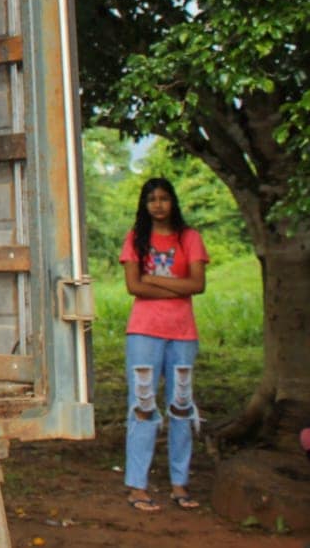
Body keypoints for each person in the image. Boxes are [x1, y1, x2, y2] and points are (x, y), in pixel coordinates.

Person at [119, 176, 208, 513]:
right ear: (144, 204)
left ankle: (179, 483)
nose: (158, 205)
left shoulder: (191, 238)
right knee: (142, 405)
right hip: (143, 332)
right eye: (151, 199)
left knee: (181, 406)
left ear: (173, 202)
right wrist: (176, 285)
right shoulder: (136, 239)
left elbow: (198, 284)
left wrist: (152, 278)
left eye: (164, 198)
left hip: (183, 334)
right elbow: (133, 287)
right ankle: (137, 486)